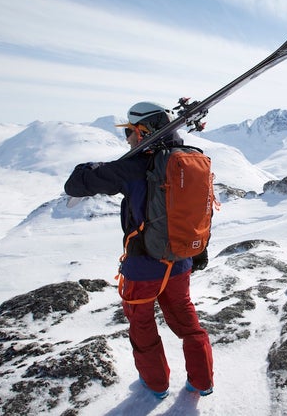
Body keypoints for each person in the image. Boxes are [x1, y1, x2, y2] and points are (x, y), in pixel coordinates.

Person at [64, 101, 214, 399]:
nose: (128, 139)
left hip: (143, 268)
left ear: (142, 131)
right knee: (187, 321)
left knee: (142, 325)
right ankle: (202, 381)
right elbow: (197, 210)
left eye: (129, 132)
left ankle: (156, 385)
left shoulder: (133, 167)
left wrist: (93, 167)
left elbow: (75, 184)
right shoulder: (193, 159)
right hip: (180, 260)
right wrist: (196, 251)